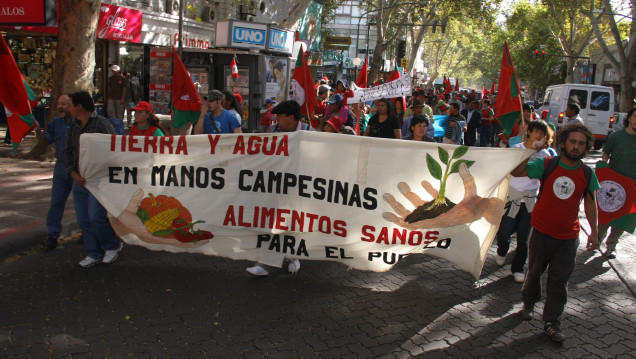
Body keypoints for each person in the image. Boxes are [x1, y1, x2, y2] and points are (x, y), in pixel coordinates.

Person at [511, 123, 599, 342]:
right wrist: (532, 150)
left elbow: (590, 204)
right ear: (563, 143)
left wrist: (595, 233)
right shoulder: (547, 163)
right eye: (572, 142)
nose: (576, 147)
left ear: (586, 147)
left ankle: (552, 322)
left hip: (568, 238)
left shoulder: (588, 173)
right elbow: (516, 171)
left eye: (581, 143)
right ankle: (529, 302)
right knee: (533, 274)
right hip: (541, 232)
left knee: (559, 282)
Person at [247, 100, 313, 276]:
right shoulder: (273, 130)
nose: (276, 120)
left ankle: (293, 257)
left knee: (292, 223)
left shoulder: (308, 132)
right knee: (271, 223)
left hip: (298, 188)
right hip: (275, 185)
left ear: (291, 118)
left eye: (279, 116)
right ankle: (264, 263)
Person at [63, 91, 123, 267]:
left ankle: (112, 245)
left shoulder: (102, 124)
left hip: (99, 181)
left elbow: (114, 151)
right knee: (84, 220)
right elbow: (67, 153)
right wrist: (74, 174)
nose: (68, 109)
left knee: (96, 216)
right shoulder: (73, 127)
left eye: (70, 105)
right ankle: (93, 252)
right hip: (80, 181)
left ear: (79, 107)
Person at [495, 120, 551, 283]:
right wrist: (531, 152)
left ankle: (518, 267)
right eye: (536, 132)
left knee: (524, 237)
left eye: (542, 133)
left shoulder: (545, 155)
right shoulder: (517, 149)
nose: (538, 135)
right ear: (529, 132)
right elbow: (513, 171)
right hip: (512, 197)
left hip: (530, 199)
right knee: (505, 231)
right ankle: (502, 249)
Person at [36, 94, 74, 251]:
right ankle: (52, 235)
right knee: (56, 202)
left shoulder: (80, 122)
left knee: (82, 202)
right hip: (60, 167)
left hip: (77, 167)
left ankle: (88, 233)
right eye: (59, 104)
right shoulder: (55, 123)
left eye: (64, 104)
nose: (61, 107)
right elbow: (46, 140)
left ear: (71, 106)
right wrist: (37, 129)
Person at [597, 106, 636, 258]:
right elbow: (606, 154)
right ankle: (597, 240)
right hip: (613, 184)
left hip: (631, 186)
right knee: (606, 215)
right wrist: (603, 167)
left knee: (623, 219)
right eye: (635, 117)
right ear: (630, 118)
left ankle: (612, 245)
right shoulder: (616, 136)